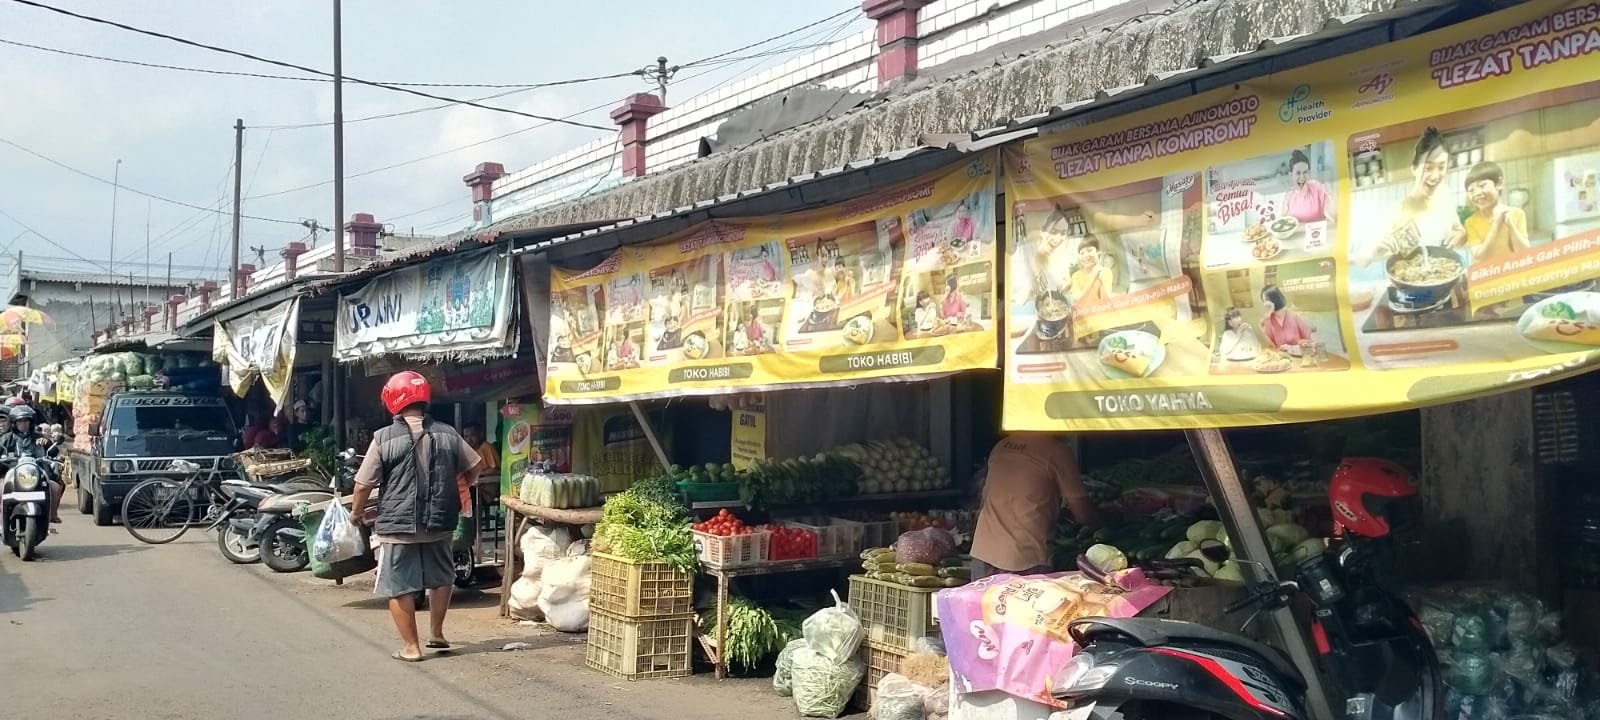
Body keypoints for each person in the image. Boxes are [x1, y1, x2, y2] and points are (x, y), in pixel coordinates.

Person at [347, 371, 482, 663]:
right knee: (442, 577)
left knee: (399, 585)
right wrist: (456, 486)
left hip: (398, 525)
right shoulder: (448, 433)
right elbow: (474, 465)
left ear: (393, 399)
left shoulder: (383, 438)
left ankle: (411, 647)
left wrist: (356, 513)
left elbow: (363, 485)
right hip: (440, 521)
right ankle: (437, 633)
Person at [970, 433, 1099, 580]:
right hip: (1024, 559)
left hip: (983, 552)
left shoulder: (1001, 446)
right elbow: (1084, 515)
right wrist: (1109, 523)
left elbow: (988, 498)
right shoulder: (1057, 451)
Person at [1357, 127, 1465, 266]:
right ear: (1414, 169)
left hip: (1444, 275)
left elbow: (1458, 229)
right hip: (1409, 277)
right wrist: (1374, 249)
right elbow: (1361, 260)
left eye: (1441, 167)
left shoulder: (1445, 199)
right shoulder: (1398, 211)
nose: (1435, 176)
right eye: (1428, 168)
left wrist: (1461, 235)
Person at [1453, 161, 1530, 263]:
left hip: (1511, 271)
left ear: (1499, 184)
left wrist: (1511, 226)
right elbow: (1480, 256)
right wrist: (1496, 225)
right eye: (1471, 190)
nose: (1477, 193)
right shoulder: (1471, 222)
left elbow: (1524, 253)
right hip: (1484, 272)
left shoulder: (1517, 214)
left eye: (1482, 185)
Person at [0, 405, 62, 523]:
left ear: (31, 422)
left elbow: (54, 452)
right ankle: (2, 518)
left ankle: (52, 515)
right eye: (20, 421)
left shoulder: (38, 437)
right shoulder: (6, 439)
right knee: (1, 487)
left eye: (26, 421)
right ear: (14, 423)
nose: (23, 424)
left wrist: (47, 443)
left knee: (54, 487)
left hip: (35, 473)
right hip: (11, 474)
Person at [1280, 148, 1336, 225]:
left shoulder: (1317, 187)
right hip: (1300, 232)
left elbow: (1333, 216)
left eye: (1305, 172)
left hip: (1319, 230)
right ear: (1291, 175)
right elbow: (1280, 220)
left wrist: (1330, 193)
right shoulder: (1288, 195)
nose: (1302, 177)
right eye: (1298, 173)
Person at [1259, 285, 1315, 352]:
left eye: (1266, 300)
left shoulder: (1295, 316)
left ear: (1274, 299)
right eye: (1264, 301)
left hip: (1301, 356)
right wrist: (1268, 315)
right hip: (1282, 357)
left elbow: (1312, 343)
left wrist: (1291, 348)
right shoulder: (1268, 321)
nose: (1265, 304)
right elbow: (1271, 348)